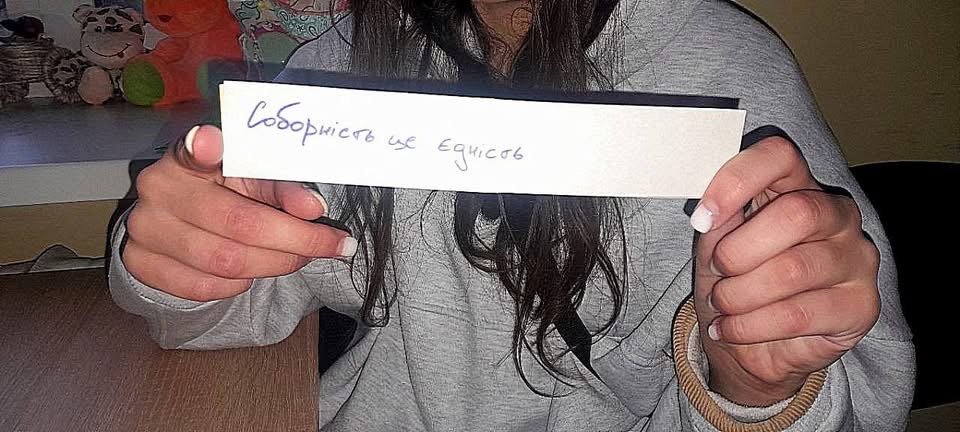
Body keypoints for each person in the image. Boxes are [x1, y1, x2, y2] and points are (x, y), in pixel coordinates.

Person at [109, 0, 915, 430]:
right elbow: (215, 311)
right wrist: (175, 254)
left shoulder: (728, 71)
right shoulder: (348, 63)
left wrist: (751, 384)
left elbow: (857, 400)